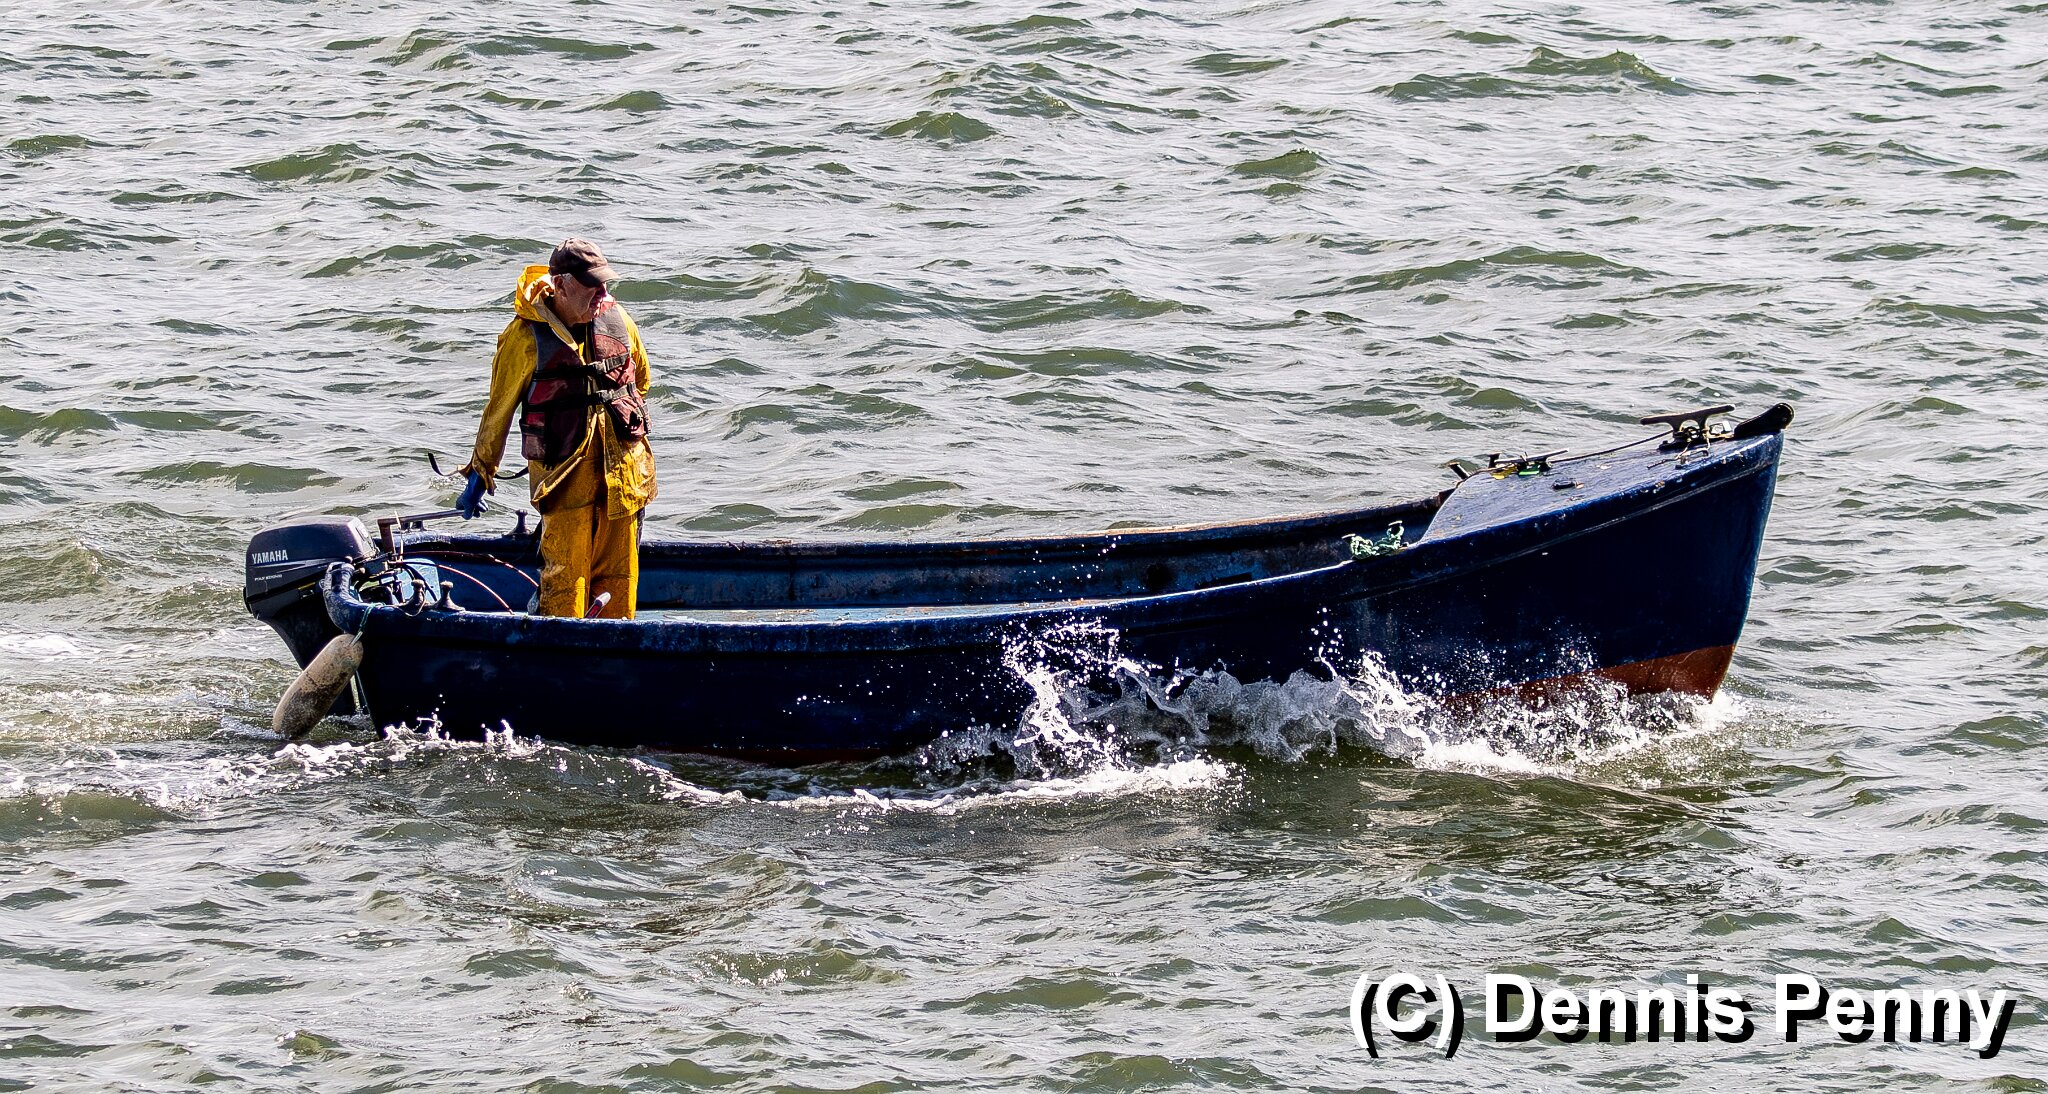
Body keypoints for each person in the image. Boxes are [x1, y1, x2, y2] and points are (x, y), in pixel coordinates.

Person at [455, 238, 656, 618]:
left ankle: (615, 647)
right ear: (560, 285)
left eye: (604, 283)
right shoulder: (524, 337)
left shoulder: (618, 319)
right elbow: (498, 412)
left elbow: (640, 380)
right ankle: (561, 646)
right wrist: (480, 474)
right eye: (591, 284)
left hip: (624, 476)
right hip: (565, 479)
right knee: (565, 580)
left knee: (619, 580)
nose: (602, 293)